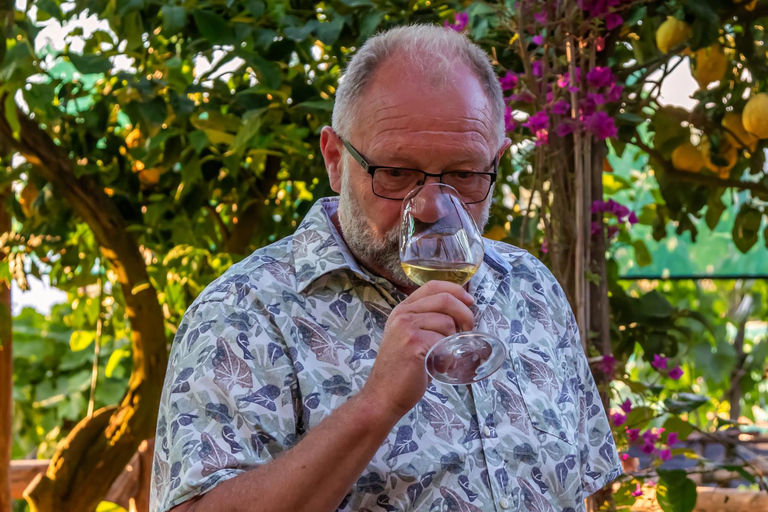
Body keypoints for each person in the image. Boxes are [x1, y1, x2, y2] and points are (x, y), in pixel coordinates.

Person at [150, 24, 622, 512]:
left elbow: (577, 492)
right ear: (335, 159)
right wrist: (376, 405)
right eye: (396, 174)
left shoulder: (529, 286)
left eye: (463, 174)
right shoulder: (242, 313)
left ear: (496, 161)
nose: (431, 207)